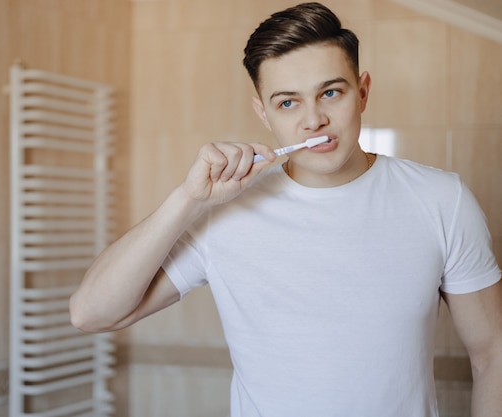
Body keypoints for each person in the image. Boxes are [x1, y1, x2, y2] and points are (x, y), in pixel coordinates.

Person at [70, 2, 502, 416]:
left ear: (363, 92)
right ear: (263, 113)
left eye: (330, 92)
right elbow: (90, 313)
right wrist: (187, 199)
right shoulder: (224, 215)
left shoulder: (443, 199)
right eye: (288, 102)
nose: (313, 120)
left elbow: (491, 354)